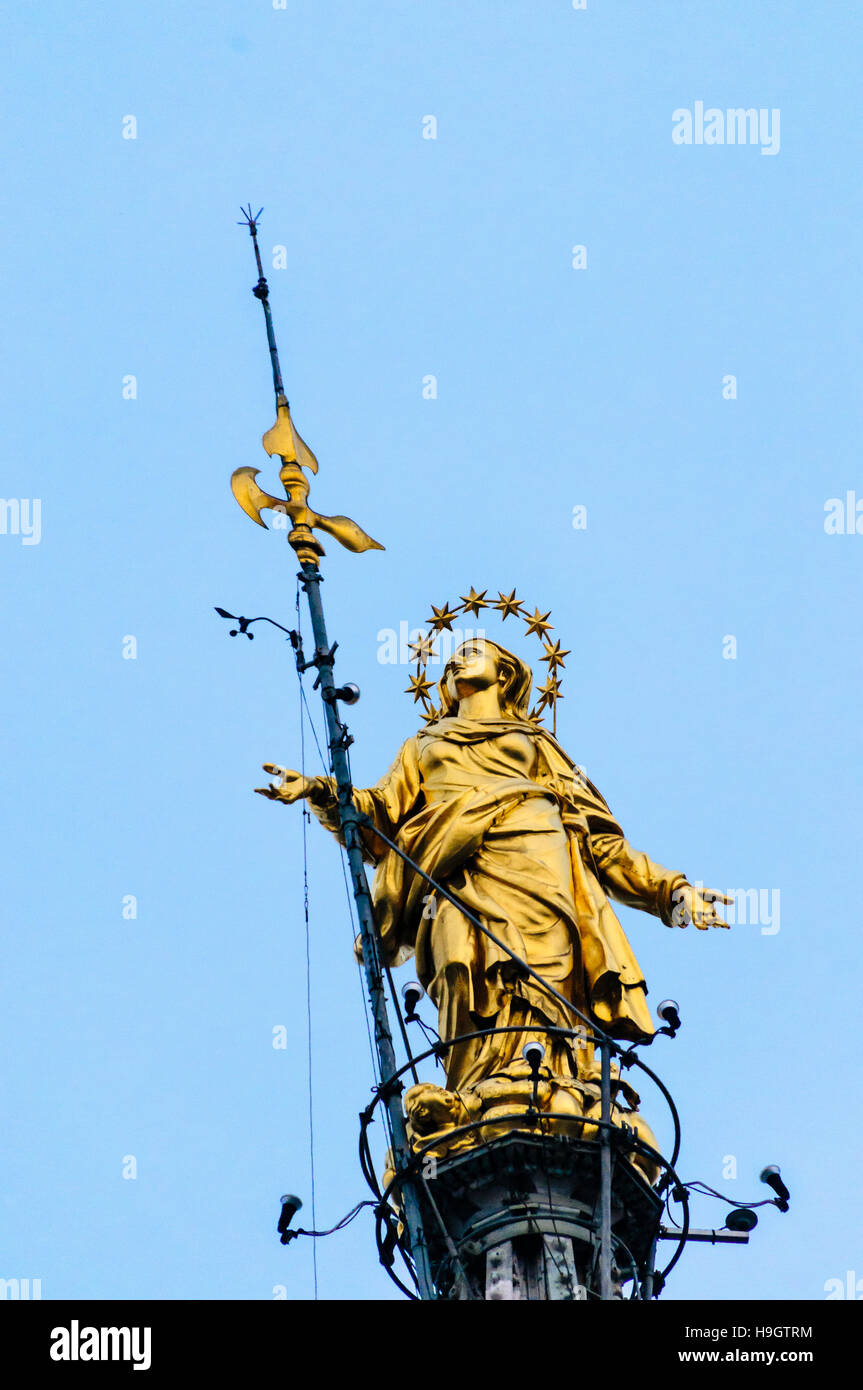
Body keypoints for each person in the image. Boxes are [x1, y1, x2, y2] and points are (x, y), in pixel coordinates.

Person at [256, 638, 728, 1127]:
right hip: (452, 865)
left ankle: (559, 1079)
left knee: (546, 975)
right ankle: (477, 1084)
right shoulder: (423, 744)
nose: (458, 657)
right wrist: (318, 791)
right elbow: (380, 815)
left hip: (541, 862)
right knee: (460, 963)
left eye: (474, 651)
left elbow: (601, 840)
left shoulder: (539, 745)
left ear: (505, 673)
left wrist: (672, 892)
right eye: (454, 654)